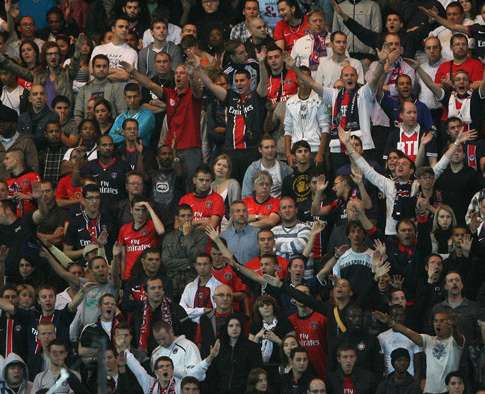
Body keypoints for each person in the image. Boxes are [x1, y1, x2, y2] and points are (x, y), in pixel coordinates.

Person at [192, 47, 268, 182]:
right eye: (236, 81)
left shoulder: (257, 97)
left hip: (251, 150)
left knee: (249, 186)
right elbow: (210, 84)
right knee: (231, 185)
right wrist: (198, 68)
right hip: (231, 151)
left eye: (242, 80)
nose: (239, 83)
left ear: (249, 81)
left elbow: (264, 83)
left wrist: (261, 63)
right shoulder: (230, 96)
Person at [374, 308, 465, 394]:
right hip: (429, 391)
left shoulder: (454, 342)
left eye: (442, 321)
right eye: (435, 321)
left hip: (448, 391)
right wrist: (391, 322)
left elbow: (458, 337)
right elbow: (408, 332)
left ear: (449, 323)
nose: (438, 324)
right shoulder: (428, 340)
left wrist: (454, 327)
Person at [284, 67, 329, 167]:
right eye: (301, 77)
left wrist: (320, 153)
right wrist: (288, 154)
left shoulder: (319, 100)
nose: (304, 80)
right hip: (296, 150)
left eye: (306, 77)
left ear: (311, 79)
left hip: (314, 149)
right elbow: (288, 130)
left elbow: (325, 129)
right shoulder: (290, 102)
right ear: (296, 79)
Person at [207, 314, 262, 394]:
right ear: (226, 328)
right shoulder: (218, 346)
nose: (234, 328)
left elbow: (256, 373)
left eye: (237, 325)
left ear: (242, 328)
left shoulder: (253, 348)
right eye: (231, 326)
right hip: (220, 390)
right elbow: (213, 373)